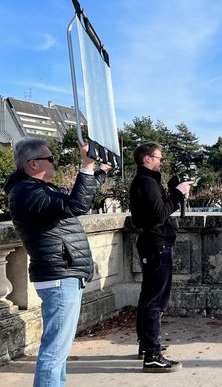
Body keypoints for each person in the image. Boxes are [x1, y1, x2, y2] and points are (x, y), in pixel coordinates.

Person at [4, 138, 110, 387]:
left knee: (58, 350)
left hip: (62, 275)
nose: (55, 163)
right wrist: (85, 165)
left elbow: (77, 196)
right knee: (54, 351)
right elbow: (77, 204)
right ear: (33, 164)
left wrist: (99, 173)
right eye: (50, 159)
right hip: (59, 278)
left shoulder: (38, 189)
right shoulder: (28, 193)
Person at [129, 142, 192, 373]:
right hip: (157, 244)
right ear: (147, 159)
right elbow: (159, 214)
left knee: (148, 297)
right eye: (159, 158)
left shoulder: (145, 181)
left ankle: (147, 346)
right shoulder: (146, 182)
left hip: (152, 243)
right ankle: (153, 355)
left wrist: (173, 190)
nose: (161, 162)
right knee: (156, 300)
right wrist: (177, 194)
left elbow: (155, 211)